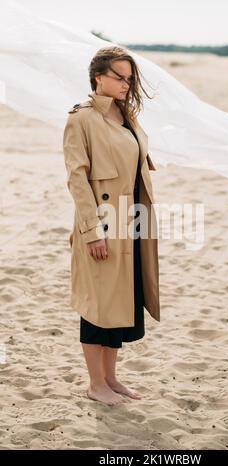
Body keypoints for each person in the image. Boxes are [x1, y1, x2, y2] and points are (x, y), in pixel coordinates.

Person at [63, 46, 160, 406]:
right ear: (98, 77)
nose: (125, 83)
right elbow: (77, 178)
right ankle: (94, 383)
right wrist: (92, 232)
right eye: (118, 76)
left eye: (129, 78)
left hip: (131, 222)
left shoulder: (127, 114)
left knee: (121, 303)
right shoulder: (81, 119)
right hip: (102, 224)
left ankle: (111, 378)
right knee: (99, 304)